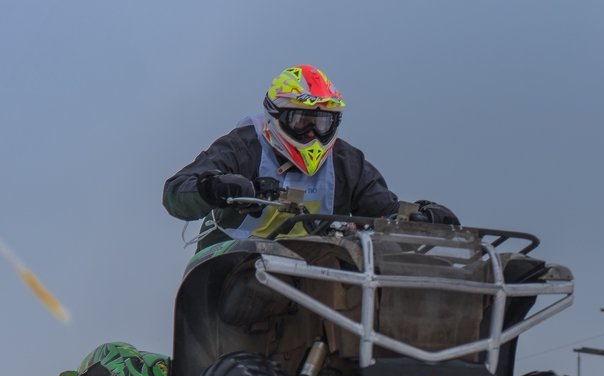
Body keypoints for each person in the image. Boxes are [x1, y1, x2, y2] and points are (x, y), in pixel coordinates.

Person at [163, 64, 457, 250]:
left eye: (322, 123)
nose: (312, 135)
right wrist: (213, 188)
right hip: (230, 267)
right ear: (275, 117)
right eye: (302, 121)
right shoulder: (242, 146)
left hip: (313, 275)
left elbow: (384, 212)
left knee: (379, 275)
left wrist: (419, 217)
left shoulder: (346, 162)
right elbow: (175, 193)